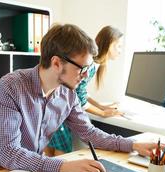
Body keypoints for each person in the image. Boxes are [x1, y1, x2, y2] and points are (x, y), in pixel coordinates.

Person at [0, 24, 158, 172]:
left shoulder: (68, 94)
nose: (86, 75)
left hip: (31, 170)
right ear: (56, 63)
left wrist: (133, 145)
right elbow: (10, 153)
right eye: (82, 68)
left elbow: (89, 133)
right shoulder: (11, 86)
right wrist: (63, 166)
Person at [47, 26, 125, 155]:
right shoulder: (91, 65)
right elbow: (80, 96)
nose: (120, 50)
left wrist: (100, 106)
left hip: (54, 108)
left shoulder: (93, 64)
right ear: (109, 44)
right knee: (62, 153)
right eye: (118, 46)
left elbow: (81, 91)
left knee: (49, 152)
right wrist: (102, 113)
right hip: (60, 111)